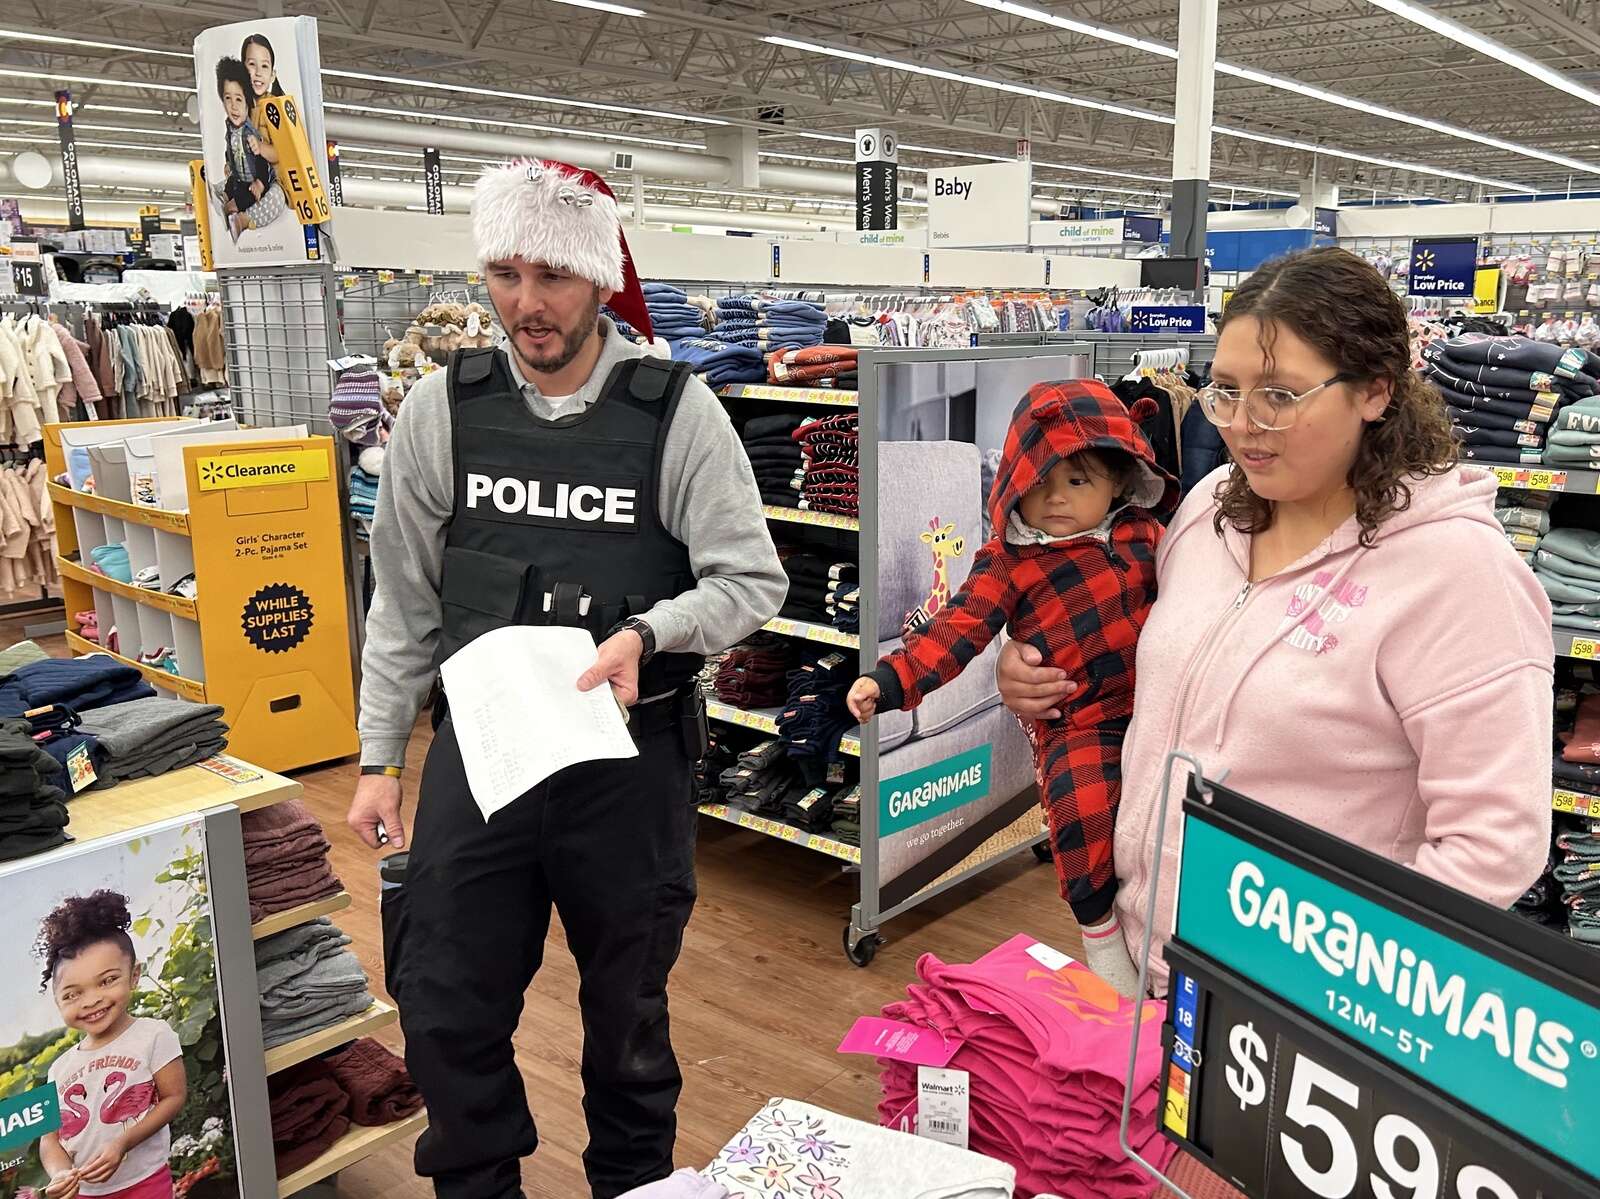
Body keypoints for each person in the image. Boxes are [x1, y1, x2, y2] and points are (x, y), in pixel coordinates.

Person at [345, 158, 786, 1199]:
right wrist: (375, 758)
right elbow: (403, 600)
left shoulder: (676, 412)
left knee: (626, 1015)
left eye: (552, 274)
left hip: (627, 767)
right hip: (483, 753)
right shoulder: (439, 412)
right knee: (444, 994)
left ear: (597, 278)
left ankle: (631, 1185)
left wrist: (651, 628)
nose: (526, 303)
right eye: (504, 272)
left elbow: (750, 577)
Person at [996, 246, 1553, 999]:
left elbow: (1495, 846)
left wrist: (1330, 981)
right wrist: (1033, 668)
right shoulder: (1208, 509)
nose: (1244, 425)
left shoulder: (1457, 575)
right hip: (1144, 964)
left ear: (1376, 392)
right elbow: (1161, 673)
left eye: (1281, 396)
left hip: (1299, 1008)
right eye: (1224, 391)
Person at [848, 381, 1176, 994]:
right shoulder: (1008, 559)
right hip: (1078, 721)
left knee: (1161, 834)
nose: (1054, 498)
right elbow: (957, 627)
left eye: (1078, 481)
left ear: (1118, 483)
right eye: (1039, 481)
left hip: (1162, 710)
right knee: (1083, 827)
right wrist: (889, 678)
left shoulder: (1146, 538)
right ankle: (1104, 945)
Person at [35, 890, 187, 1199]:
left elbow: (173, 1097)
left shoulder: (153, 1035)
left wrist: (122, 1143)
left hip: (144, 1183)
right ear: (57, 1002)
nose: (91, 1000)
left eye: (106, 981)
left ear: (134, 977)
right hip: (85, 1193)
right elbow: (48, 1140)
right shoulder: (58, 1069)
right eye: (72, 994)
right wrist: (60, 1173)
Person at [212, 57, 283, 241]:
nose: (233, 106)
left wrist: (260, 182)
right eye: (228, 99)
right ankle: (224, 198)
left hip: (258, 182)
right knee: (226, 185)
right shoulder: (231, 130)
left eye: (238, 99)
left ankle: (242, 219)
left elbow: (265, 159)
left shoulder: (253, 131)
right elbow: (230, 150)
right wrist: (228, 162)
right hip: (239, 179)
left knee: (274, 198)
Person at [240, 34, 284, 167]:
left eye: (264, 66)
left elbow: (282, 152)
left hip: (275, 180)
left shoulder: (275, 107)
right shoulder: (240, 108)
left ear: (272, 75)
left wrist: (260, 147)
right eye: (252, 64)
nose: (258, 72)